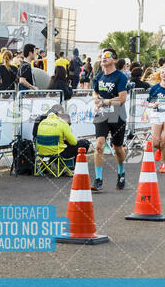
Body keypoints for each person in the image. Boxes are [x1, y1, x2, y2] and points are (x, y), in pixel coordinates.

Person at [92, 47, 128, 191]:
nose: (104, 57)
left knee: (117, 147)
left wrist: (105, 102)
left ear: (113, 59)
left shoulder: (120, 76)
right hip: (102, 114)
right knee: (99, 144)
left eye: (107, 55)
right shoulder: (99, 76)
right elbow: (95, 92)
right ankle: (98, 179)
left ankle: (121, 172)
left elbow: (122, 99)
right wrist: (96, 99)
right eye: (102, 55)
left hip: (117, 114)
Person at [34, 104, 89, 171]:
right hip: (57, 153)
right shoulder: (62, 123)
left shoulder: (42, 122)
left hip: (41, 152)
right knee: (84, 143)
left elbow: (35, 135)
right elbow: (74, 142)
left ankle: (55, 165)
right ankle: (75, 167)